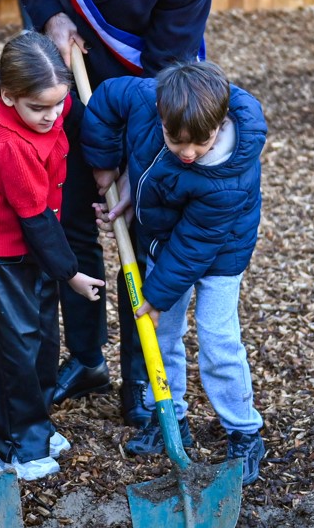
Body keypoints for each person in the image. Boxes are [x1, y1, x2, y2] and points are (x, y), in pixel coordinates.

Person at [0, 0, 217, 427]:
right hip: (60, 88)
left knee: (135, 230)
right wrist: (50, 13)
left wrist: (120, 161)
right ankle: (87, 356)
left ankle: (142, 383)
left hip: (141, 101)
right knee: (71, 223)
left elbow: (163, 71)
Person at [83, 61, 267, 484]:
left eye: (200, 143)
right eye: (175, 140)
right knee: (161, 333)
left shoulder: (227, 175)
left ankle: (244, 430)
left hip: (219, 249)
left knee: (217, 335)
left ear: (220, 123)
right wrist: (108, 166)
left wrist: (160, 293)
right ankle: (170, 416)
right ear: (160, 115)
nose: (188, 153)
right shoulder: (146, 98)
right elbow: (106, 100)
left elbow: (195, 244)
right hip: (163, 236)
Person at [0, 33, 103, 480]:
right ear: (9, 96)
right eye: (38, 108)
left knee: (42, 342)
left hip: (35, 250)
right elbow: (35, 216)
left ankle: (36, 427)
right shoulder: (8, 145)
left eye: (58, 105)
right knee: (13, 351)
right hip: (2, 257)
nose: (51, 116)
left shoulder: (52, 116)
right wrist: (72, 274)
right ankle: (13, 447)